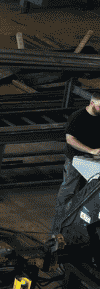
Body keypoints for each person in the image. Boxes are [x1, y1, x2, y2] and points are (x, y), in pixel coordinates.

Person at [53, 92, 100, 234]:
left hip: (94, 159)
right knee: (69, 189)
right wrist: (90, 150)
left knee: (89, 190)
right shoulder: (78, 117)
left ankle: (80, 222)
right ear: (92, 103)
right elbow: (70, 139)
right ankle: (59, 222)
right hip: (77, 159)